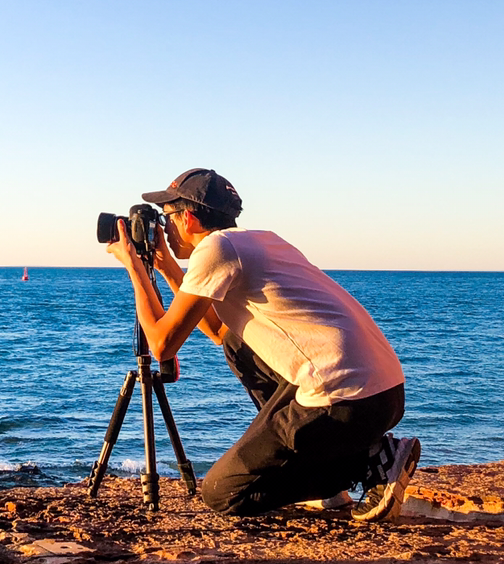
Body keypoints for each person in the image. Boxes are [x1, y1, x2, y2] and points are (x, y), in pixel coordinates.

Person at [104, 167, 420, 522]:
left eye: (167, 217)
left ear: (188, 218)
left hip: (348, 403)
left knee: (223, 493)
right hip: (383, 394)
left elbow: (161, 346)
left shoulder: (215, 249)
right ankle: (353, 462)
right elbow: (218, 330)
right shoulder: (257, 240)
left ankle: (366, 465)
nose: (162, 228)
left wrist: (134, 267)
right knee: (236, 345)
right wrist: (165, 268)